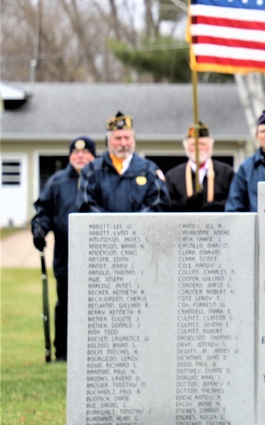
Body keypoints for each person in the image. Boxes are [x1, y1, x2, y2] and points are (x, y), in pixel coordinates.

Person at [31, 136, 96, 361]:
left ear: (93, 155)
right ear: (70, 156)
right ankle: (63, 352)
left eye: (85, 152)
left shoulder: (100, 178)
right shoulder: (57, 182)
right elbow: (43, 211)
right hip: (65, 256)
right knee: (66, 304)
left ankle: (93, 352)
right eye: (76, 153)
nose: (80, 156)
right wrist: (39, 229)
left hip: (98, 257)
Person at [79, 112, 169, 213]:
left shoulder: (149, 170)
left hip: (140, 227)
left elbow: (158, 203)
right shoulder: (91, 171)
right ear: (108, 141)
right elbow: (86, 204)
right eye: (118, 138)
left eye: (127, 138)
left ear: (134, 139)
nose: (123, 143)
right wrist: (110, 225)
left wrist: (134, 224)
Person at [164, 122, 235, 212]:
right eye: (193, 144)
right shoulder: (172, 177)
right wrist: (186, 203)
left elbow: (234, 202)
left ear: (210, 145)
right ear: (186, 147)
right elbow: (167, 206)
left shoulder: (226, 173)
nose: (198, 148)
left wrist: (212, 207)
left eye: (202, 144)